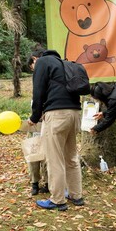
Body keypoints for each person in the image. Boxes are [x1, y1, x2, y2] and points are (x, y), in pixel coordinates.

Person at [27, 50, 83, 211]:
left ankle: (58, 200)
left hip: (57, 115)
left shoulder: (43, 63)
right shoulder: (65, 64)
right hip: (74, 114)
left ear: (35, 59)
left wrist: (34, 116)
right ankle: (76, 195)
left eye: (32, 66)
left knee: (54, 159)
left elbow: (38, 92)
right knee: (71, 157)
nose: (34, 69)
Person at [27, 49, 49, 196]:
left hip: (48, 122)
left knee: (48, 156)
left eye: (32, 67)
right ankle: (35, 183)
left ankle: (47, 183)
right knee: (33, 153)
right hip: (37, 123)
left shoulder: (47, 72)